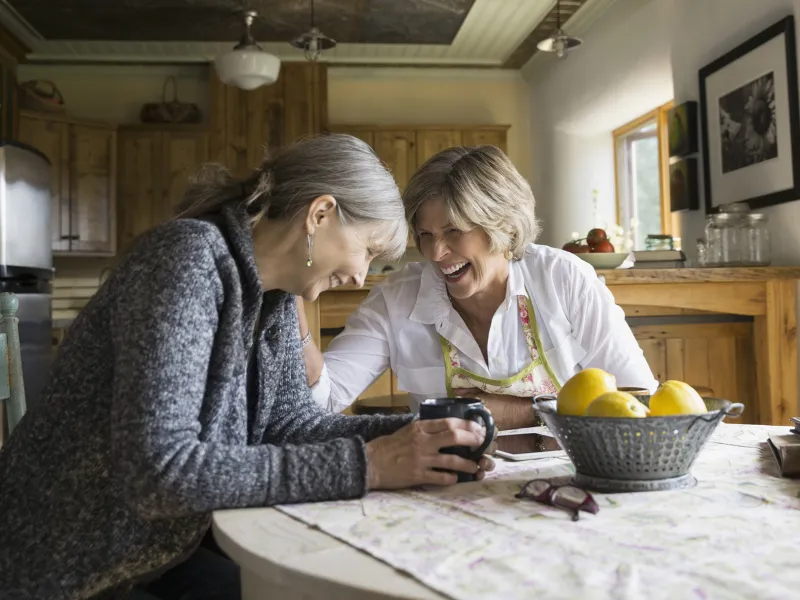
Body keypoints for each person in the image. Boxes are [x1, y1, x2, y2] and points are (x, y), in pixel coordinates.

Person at [0, 134, 493, 600]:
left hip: (157, 552)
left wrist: (418, 435)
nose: (361, 275)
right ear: (320, 214)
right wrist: (370, 464)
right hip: (67, 569)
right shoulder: (185, 261)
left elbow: (291, 425)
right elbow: (160, 473)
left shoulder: (274, 297)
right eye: (367, 250)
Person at [304, 145, 658, 429]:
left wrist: (522, 411)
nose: (436, 252)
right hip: (450, 488)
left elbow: (638, 397)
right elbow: (325, 396)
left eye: (454, 231)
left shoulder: (564, 279)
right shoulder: (396, 300)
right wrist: (292, 294)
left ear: (502, 225)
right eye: (425, 236)